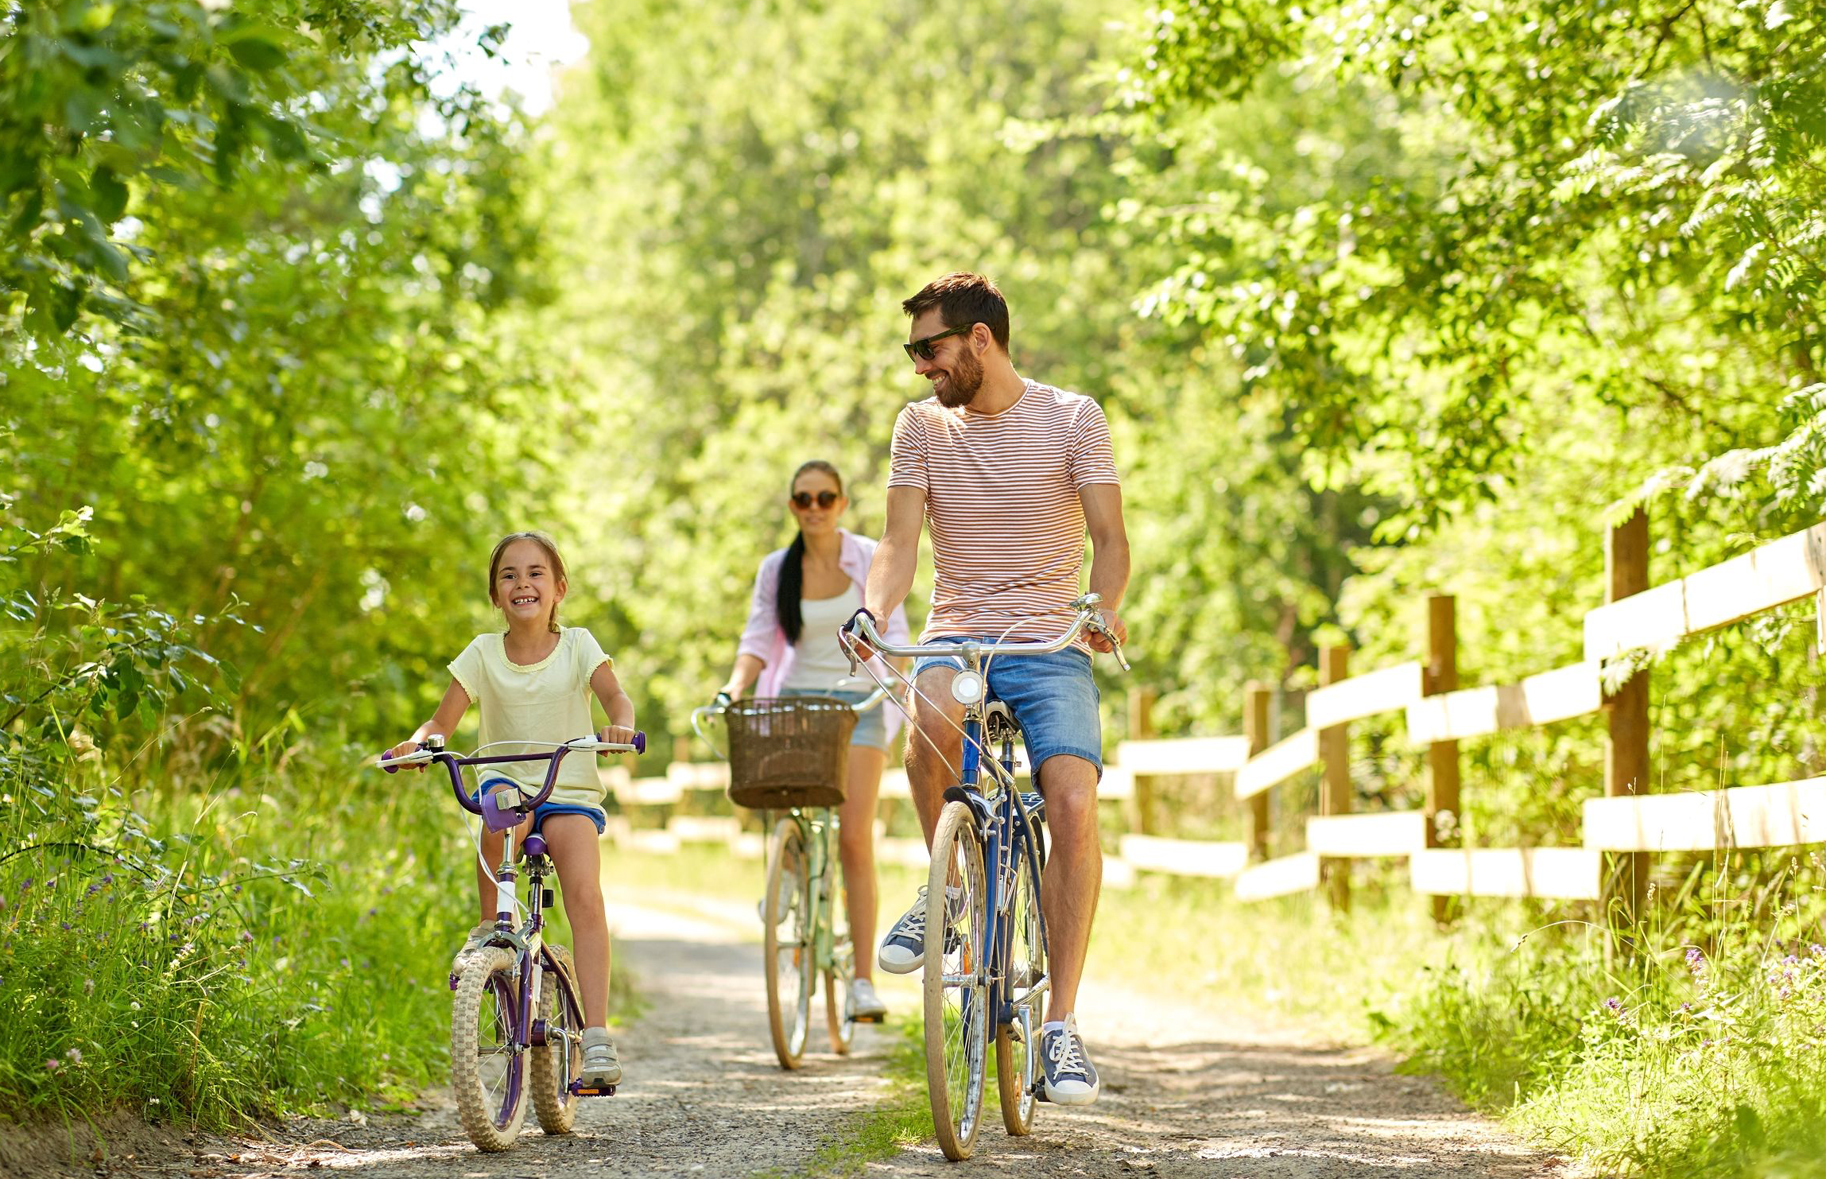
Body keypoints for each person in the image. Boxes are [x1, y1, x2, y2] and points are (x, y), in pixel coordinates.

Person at [842, 272, 1130, 1106]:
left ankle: (1061, 1027)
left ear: (979, 340)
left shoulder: (1075, 417)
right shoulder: (920, 428)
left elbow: (1110, 537)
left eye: (929, 349)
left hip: (1050, 641)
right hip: (958, 630)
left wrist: (1101, 611)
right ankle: (952, 890)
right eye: (914, 351)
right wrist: (873, 609)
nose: (921, 367)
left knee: (1072, 802)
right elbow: (898, 543)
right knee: (926, 718)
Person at [386, 530, 636, 1092]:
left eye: (535, 574)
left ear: (559, 589)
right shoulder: (480, 653)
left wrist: (619, 722)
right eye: (508, 576)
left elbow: (615, 697)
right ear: (495, 596)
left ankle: (595, 1033)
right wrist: (419, 744)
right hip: (507, 779)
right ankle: (492, 933)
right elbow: (440, 724)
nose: (522, 583)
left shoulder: (578, 646)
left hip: (566, 784)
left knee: (585, 891)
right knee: (497, 815)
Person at [716, 460, 912, 1023]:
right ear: (792, 507)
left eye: (826, 498)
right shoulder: (778, 569)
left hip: (858, 706)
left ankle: (861, 982)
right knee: (784, 805)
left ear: (842, 503)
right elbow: (757, 636)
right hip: (796, 702)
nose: (815, 508)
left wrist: (891, 673)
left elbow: (895, 635)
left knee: (854, 837)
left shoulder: (868, 557)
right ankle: (789, 876)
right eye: (804, 499)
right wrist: (735, 687)